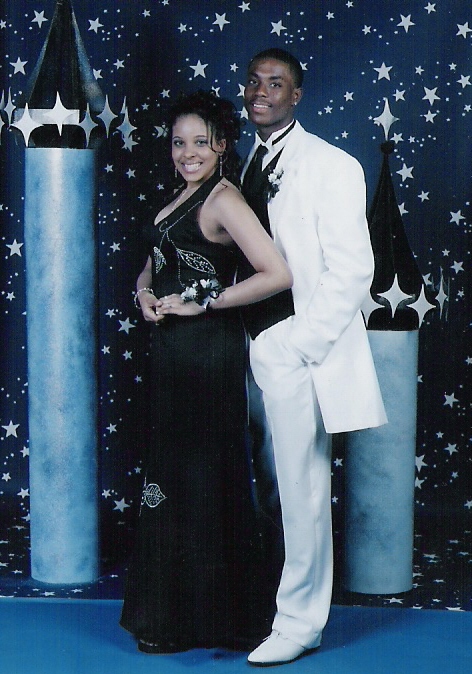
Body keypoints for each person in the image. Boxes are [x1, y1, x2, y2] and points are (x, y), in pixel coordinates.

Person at [119, 89, 292, 654]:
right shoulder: (181, 195)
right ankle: (171, 617)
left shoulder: (224, 199)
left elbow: (276, 273)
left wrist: (207, 302)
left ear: (221, 145)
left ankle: (212, 621)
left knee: (201, 477)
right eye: (179, 143)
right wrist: (144, 294)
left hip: (206, 354)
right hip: (173, 353)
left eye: (201, 142)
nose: (187, 153)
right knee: (171, 476)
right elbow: (155, 264)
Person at [240, 48, 388, 666]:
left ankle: (300, 623)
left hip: (295, 351)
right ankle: (258, 605)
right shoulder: (242, 160)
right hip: (243, 348)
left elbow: (353, 271)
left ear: (297, 96)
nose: (261, 92)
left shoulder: (333, 165)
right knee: (261, 486)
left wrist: (296, 344)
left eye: (276, 84)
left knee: (301, 490)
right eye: (254, 81)